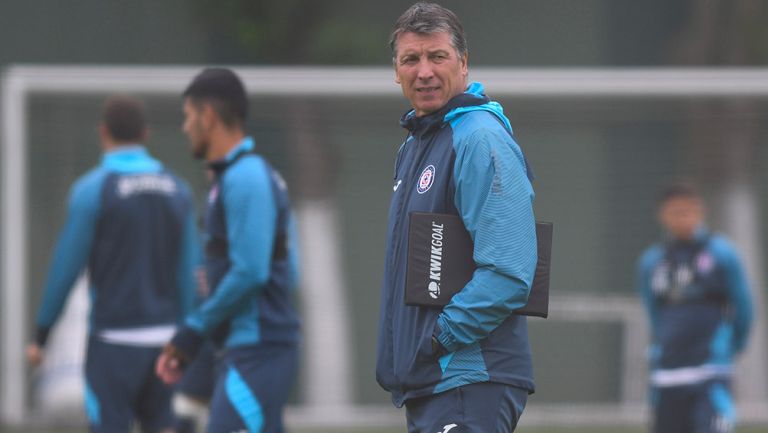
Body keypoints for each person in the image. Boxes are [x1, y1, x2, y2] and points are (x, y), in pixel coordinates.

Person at [376, 3, 538, 432]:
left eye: (437, 56)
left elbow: (509, 271)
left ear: (463, 63)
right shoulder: (416, 145)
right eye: (411, 59)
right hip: (434, 383)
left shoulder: (479, 138)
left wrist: (437, 338)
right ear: (396, 70)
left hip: (468, 379)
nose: (424, 71)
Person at [26, 95, 200, 433]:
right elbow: (188, 272)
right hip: (166, 341)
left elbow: (66, 269)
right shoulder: (177, 190)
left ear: (103, 132)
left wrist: (41, 335)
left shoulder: (92, 190)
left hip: (113, 344)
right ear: (146, 134)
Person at [155, 68, 301, 433]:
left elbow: (251, 272)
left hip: (258, 351)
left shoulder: (246, 177)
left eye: (188, 116)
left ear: (208, 116)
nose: (185, 127)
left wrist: (194, 328)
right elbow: (289, 268)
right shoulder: (237, 177)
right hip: (247, 349)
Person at [637, 182, 753, 433]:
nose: (681, 218)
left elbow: (743, 306)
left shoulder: (722, 254)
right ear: (663, 216)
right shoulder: (652, 262)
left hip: (709, 373)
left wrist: (732, 345)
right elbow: (654, 312)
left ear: (700, 212)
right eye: (674, 212)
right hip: (668, 375)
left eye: (687, 211)